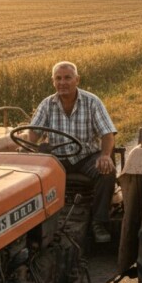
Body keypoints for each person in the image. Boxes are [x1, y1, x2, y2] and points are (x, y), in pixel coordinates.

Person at [29, 62, 118, 243]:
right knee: (30, 177)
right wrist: (24, 149)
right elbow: (33, 134)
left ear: (77, 80)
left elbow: (107, 134)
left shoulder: (92, 102)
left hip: (86, 156)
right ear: (53, 82)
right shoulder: (47, 105)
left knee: (107, 171)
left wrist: (105, 156)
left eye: (67, 78)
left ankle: (99, 222)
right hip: (58, 159)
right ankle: (36, 222)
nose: (63, 82)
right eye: (58, 78)